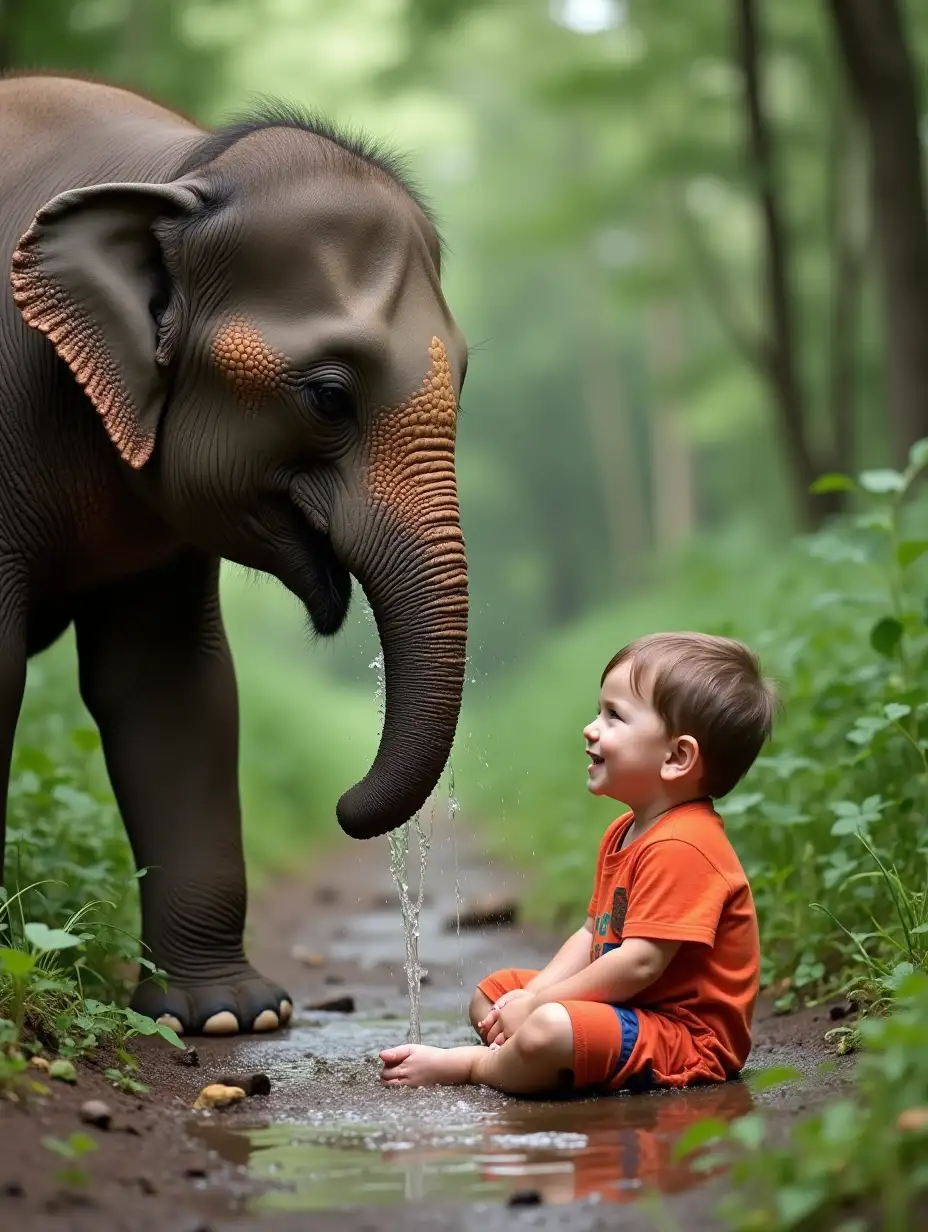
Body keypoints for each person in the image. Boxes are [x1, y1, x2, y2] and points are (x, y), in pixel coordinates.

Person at [379, 631, 777, 1096]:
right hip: (634, 1009)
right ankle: (526, 1053)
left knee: (549, 1026)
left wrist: (540, 1006)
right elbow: (592, 935)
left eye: (614, 717)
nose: (592, 728)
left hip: (684, 1036)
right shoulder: (624, 832)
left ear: (676, 756)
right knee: (493, 992)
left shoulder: (686, 845)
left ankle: (478, 1066)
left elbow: (638, 965)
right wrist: (528, 997)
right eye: (598, 711)